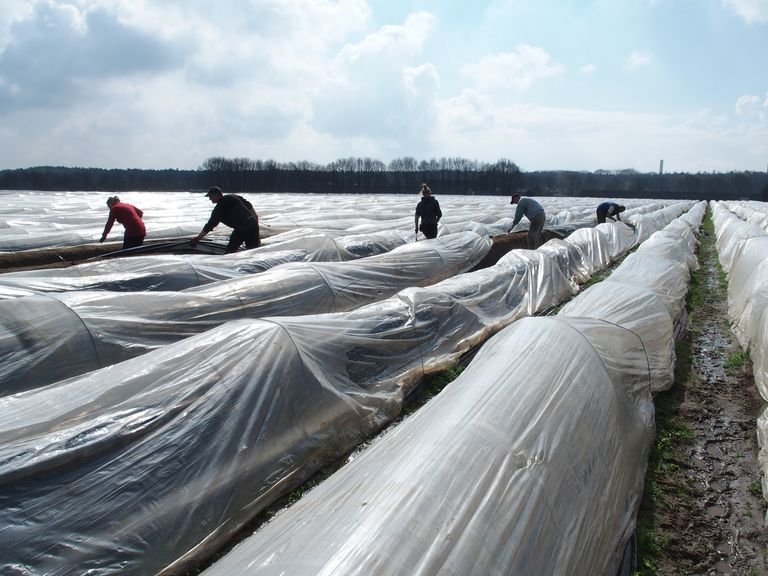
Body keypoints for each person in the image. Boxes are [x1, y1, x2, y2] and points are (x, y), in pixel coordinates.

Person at [191, 186, 260, 252]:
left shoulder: (220, 207)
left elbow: (210, 224)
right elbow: (248, 204)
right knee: (253, 250)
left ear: (216, 195)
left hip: (242, 228)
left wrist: (197, 239)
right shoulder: (233, 197)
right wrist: (255, 217)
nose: (210, 199)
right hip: (253, 224)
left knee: (231, 250)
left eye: (210, 196)